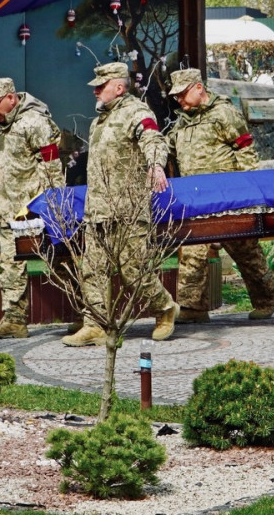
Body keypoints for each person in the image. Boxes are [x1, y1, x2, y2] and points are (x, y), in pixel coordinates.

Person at [63, 62, 179, 347]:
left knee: (133, 272)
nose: (95, 91)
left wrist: (156, 165)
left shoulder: (136, 112)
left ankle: (165, 308)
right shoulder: (98, 122)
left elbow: (153, 138)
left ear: (118, 87)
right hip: (97, 210)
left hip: (128, 210)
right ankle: (96, 325)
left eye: (100, 86)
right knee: (93, 270)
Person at [166, 68, 274, 323]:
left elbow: (245, 150)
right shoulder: (182, 121)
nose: (179, 100)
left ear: (199, 88)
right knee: (192, 250)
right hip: (196, 200)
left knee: (245, 250)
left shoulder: (224, 113)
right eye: (176, 96)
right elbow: (169, 150)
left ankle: (268, 300)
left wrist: (251, 193)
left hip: (228, 198)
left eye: (182, 94)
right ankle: (193, 308)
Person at [0, 78, 64, 339]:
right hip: (7, 211)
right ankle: (14, 321)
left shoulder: (35, 122)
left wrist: (56, 204)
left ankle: (87, 317)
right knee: (10, 266)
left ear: (11, 98)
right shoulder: (0, 127)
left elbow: (52, 165)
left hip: (35, 212)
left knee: (60, 262)